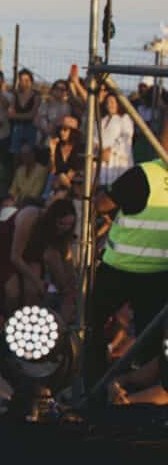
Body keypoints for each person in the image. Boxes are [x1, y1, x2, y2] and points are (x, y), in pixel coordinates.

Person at [85, 126, 168, 386]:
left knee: (93, 326)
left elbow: (102, 204)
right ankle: (141, 388)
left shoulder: (145, 173)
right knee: (150, 335)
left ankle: (93, 383)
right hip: (158, 273)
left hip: (119, 268)